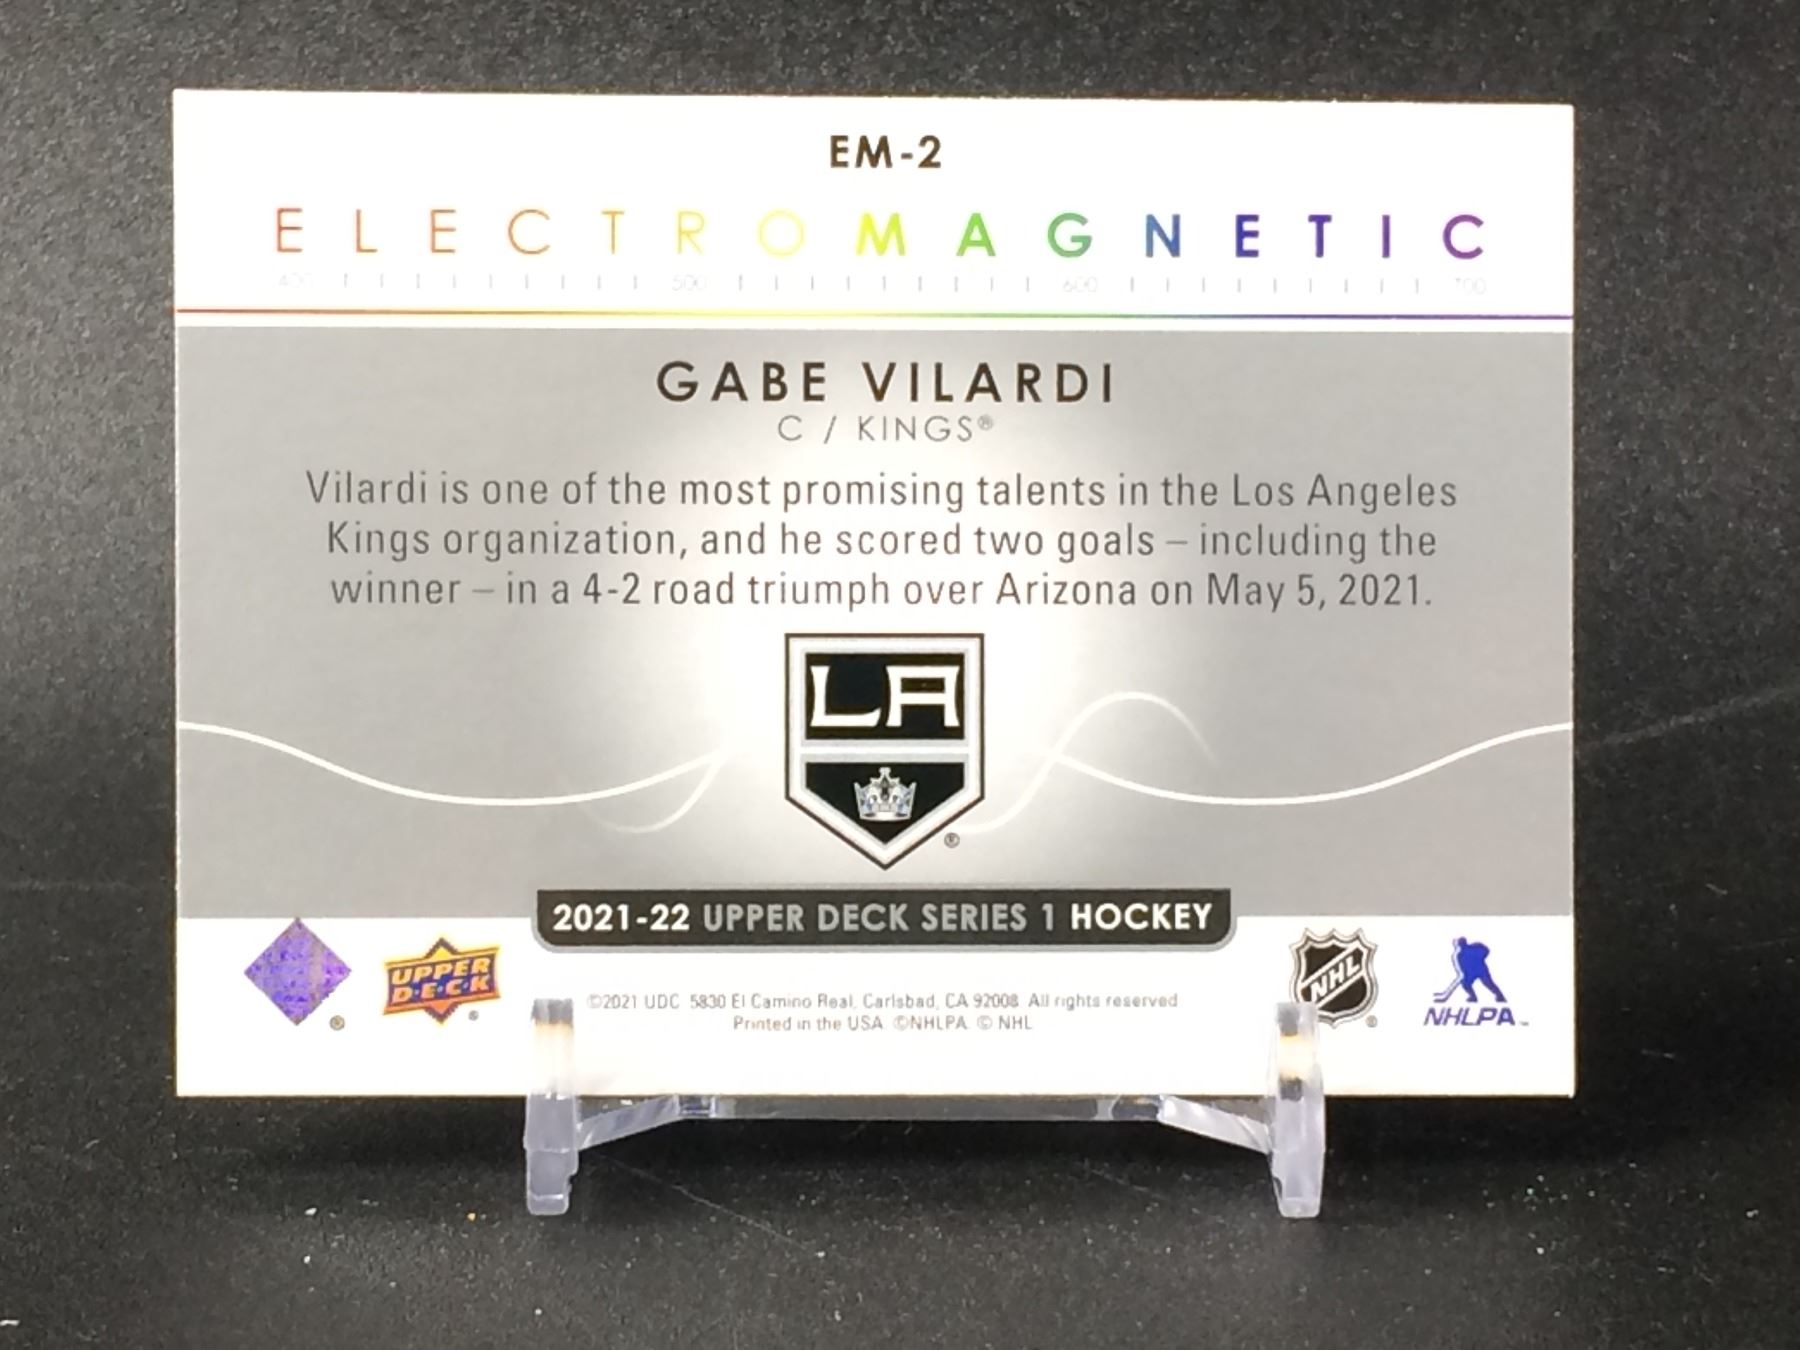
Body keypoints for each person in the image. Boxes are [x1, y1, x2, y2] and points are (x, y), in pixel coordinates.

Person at [1434, 937, 1507, 1004]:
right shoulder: (1472, 948)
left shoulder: (1460, 954)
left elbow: (1460, 968)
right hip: (1478, 971)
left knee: (1469, 984)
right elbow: (1486, 951)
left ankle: (1474, 997)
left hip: (1477, 971)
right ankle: (1498, 996)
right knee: (1485, 984)